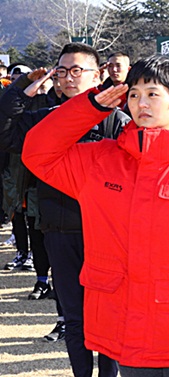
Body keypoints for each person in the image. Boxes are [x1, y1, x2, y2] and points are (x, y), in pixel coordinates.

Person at [22, 54, 169, 377]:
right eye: (134, 95)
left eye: (153, 94)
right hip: (124, 330)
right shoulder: (102, 161)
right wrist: (91, 106)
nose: (142, 103)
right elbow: (37, 152)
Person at [0, 42, 129, 377]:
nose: (69, 78)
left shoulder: (118, 121)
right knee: (74, 317)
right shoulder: (45, 118)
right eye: (63, 71)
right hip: (58, 229)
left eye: (77, 71)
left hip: (107, 233)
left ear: (98, 75)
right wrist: (23, 85)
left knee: (109, 316)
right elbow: (4, 130)